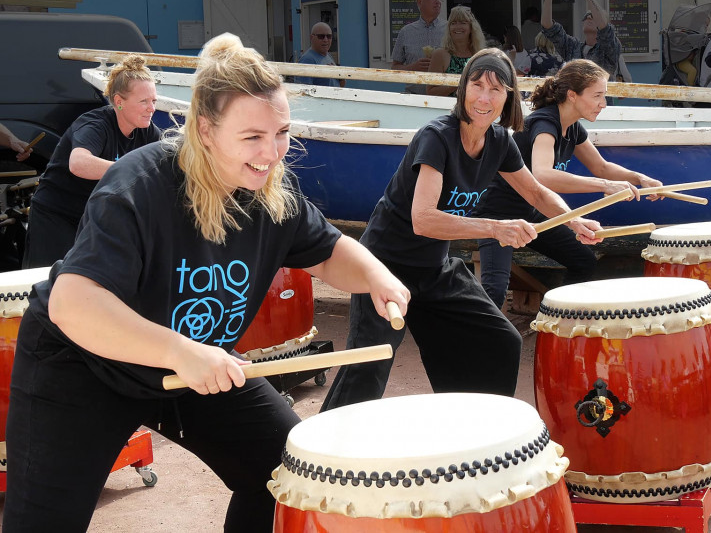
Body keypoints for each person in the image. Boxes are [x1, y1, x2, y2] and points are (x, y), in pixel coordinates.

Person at [3, 33, 409, 532]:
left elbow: (328, 252)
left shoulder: (268, 191)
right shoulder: (139, 183)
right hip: (83, 365)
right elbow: (74, 303)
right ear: (205, 130)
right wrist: (180, 352)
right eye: (253, 137)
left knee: (288, 475)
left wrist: (376, 276)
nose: (272, 152)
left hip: (196, 365)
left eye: (281, 132)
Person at [321, 48, 601, 412]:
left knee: (501, 340)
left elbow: (535, 190)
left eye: (496, 90)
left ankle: (480, 432)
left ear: (508, 97)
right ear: (462, 89)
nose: (484, 98)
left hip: (435, 270)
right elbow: (423, 219)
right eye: (477, 86)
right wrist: (495, 227)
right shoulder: (437, 137)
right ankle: (316, 460)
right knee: (367, 370)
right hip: (385, 269)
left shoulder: (500, 141)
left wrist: (573, 220)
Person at [475, 59, 663, 309]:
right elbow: (543, 174)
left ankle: (555, 318)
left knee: (583, 261)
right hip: (498, 216)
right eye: (597, 96)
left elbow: (601, 166)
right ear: (573, 95)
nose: (603, 104)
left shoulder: (572, 127)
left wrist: (639, 178)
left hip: (532, 214)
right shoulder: (544, 123)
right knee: (494, 291)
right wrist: (605, 185)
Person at [22, 55, 161, 268]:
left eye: (153, 101)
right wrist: (130, 169)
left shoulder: (149, 132)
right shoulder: (95, 124)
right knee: (47, 286)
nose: (151, 108)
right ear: (119, 102)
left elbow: (169, 163)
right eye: (143, 101)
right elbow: (78, 163)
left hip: (96, 216)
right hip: (56, 215)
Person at [541, 0, 621, 78]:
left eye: (592, 16)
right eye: (586, 16)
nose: (588, 17)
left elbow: (604, 28)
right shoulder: (573, 47)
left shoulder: (608, 50)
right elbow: (547, 25)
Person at [391, 0, 447, 94]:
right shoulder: (406, 32)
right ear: (419, 2)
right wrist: (413, 67)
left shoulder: (449, 30)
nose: (438, 2)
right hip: (414, 97)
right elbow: (394, 69)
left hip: (443, 97)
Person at [426, 5, 485, 96]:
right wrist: (457, 83)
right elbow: (430, 92)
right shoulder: (440, 54)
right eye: (453, 23)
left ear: (471, 27)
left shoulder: (480, 55)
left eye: (463, 22)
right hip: (449, 109)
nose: (457, 27)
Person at [295, 21, 345, 88]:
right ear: (312, 38)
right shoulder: (307, 60)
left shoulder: (327, 55)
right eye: (321, 36)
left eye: (329, 36)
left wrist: (340, 76)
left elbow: (339, 85)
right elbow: (304, 92)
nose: (325, 40)